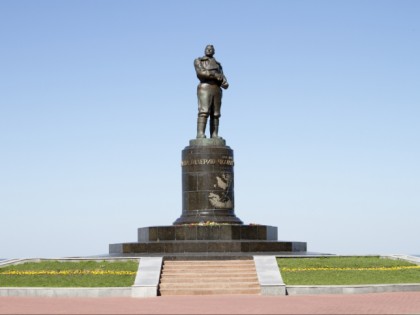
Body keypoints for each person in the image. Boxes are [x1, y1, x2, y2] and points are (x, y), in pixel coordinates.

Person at [194, 45, 229, 139]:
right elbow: (200, 73)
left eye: (211, 49)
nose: (208, 50)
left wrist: (224, 82)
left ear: (214, 51)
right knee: (204, 111)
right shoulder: (199, 61)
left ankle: (214, 134)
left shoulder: (218, 64)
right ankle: (200, 134)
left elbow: (222, 77)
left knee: (216, 114)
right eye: (207, 49)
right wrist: (214, 75)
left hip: (216, 89)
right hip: (205, 87)